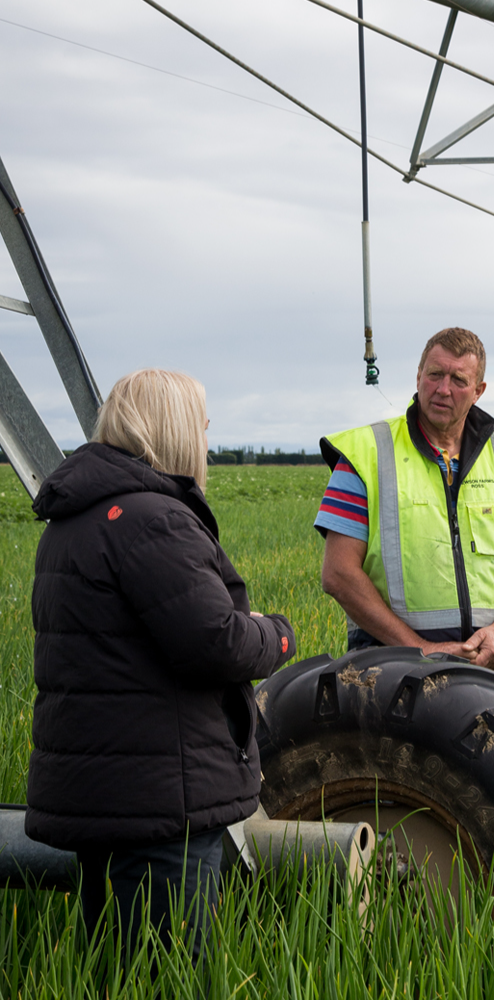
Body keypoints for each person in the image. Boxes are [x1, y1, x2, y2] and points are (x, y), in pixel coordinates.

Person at [26, 369, 296, 962]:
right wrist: (278, 636)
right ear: (172, 429)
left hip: (103, 786)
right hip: (159, 796)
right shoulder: (153, 519)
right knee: (165, 968)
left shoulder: (74, 519)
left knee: (116, 967)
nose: (205, 437)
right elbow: (215, 642)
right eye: (200, 424)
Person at [315, 327, 494, 688]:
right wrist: (420, 650)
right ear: (418, 375)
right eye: (435, 374)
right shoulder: (366, 453)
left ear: (478, 391)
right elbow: (338, 574)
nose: (443, 389)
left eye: (458, 379)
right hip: (389, 673)